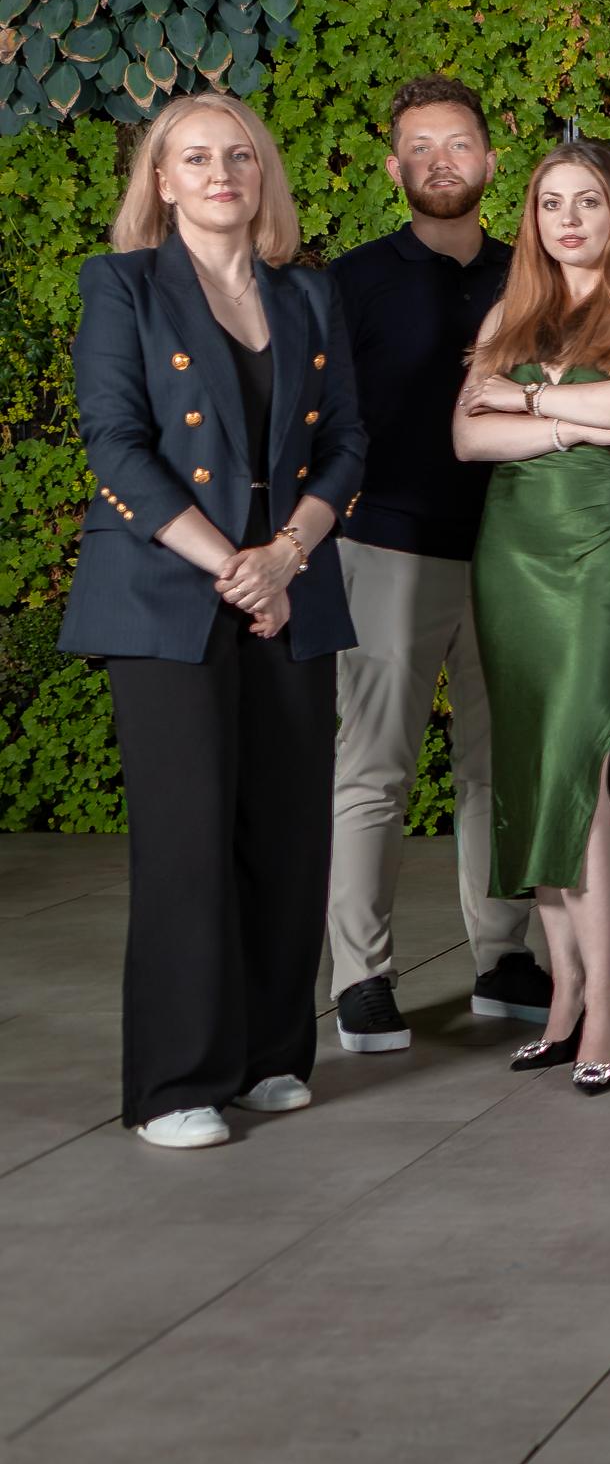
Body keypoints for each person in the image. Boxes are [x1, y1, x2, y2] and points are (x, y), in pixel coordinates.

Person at [68, 93, 366, 1150]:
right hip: (167, 592)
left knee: (287, 831)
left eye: (238, 155)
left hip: (290, 583)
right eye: (194, 158)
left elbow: (347, 446)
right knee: (188, 840)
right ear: (161, 180)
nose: (220, 173)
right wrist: (235, 566)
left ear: (263, 174)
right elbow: (115, 443)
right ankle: (176, 1082)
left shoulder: (308, 293)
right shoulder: (121, 285)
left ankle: (273, 1052)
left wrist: (285, 556)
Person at [456, 141, 610, 1093]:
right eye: (551, 204)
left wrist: (524, 400)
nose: (569, 220)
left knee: (576, 756)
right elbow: (467, 436)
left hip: (602, 549)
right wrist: (572, 419)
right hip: (512, 552)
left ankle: (607, 1004)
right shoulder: (510, 310)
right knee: (529, 759)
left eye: (586, 201)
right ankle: (564, 992)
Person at [323, 75, 546, 1054]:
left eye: (457, 143)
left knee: (499, 770)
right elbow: (320, 420)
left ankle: (504, 955)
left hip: (511, 554)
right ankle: (360, 975)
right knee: (373, 769)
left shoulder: (534, 275)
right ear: (394, 168)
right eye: (420, 146)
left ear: (490, 160)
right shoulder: (351, 282)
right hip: (386, 547)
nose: (440, 161)